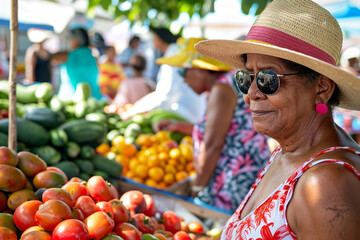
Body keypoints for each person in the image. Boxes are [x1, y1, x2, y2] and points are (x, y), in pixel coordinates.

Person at [195, 0, 360, 239]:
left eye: (267, 78)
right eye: (245, 78)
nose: (252, 92)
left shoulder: (325, 185)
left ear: (322, 88)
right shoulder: (287, 153)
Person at [153, 38, 271, 212]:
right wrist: (177, 126)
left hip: (235, 177)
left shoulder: (221, 89)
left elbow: (212, 144)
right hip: (245, 171)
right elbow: (225, 130)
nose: (184, 81)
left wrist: (197, 188)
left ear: (201, 69)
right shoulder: (224, 84)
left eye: (183, 73)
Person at [125, 26, 207, 123]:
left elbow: (165, 95)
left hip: (186, 114)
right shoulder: (173, 54)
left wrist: (135, 110)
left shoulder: (173, 57)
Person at [53, 27, 102, 100]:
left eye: (70, 39)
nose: (68, 41)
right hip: (96, 99)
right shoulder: (93, 55)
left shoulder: (67, 55)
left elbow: (48, 57)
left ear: (76, 40)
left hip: (71, 100)